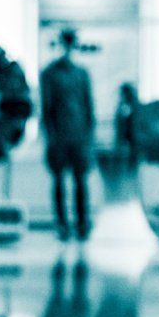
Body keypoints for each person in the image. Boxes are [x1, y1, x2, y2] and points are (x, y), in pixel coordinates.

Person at [39, 27, 96, 241]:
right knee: (59, 181)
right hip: (59, 137)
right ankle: (62, 223)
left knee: (81, 181)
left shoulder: (81, 74)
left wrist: (89, 136)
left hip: (79, 136)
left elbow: (88, 106)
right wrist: (51, 136)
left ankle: (82, 223)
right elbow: (47, 107)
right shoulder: (50, 74)